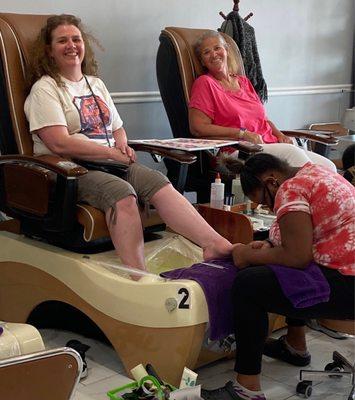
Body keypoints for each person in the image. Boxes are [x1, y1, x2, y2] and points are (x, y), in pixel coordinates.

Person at [24, 14, 233, 272]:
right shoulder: (45, 89)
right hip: (70, 169)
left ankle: (214, 244)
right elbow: (59, 143)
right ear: (49, 50)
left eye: (76, 39)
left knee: (160, 184)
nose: (71, 45)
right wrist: (111, 153)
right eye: (62, 41)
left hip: (110, 161)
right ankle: (138, 276)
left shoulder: (96, 84)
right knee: (122, 194)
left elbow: (117, 127)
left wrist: (121, 146)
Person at [202, 153, 354, 400]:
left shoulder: (291, 188)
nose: (268, 208)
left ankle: (246, 389)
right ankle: (295, 346)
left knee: (249, 285)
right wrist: (272, 246)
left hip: (349, 284)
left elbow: (297, 256)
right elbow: (306, 235)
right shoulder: (318, 173)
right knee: (284, 272)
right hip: (347, 271)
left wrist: (244, 254)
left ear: (272, 182)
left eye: (263, 202)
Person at [189, 30, 336, 171]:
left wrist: (279, 135)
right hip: (240, 151)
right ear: (202, 61)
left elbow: (263, 119)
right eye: (206, 52)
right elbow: (198, 128)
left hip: (270, 145)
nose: (214, 54)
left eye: (217, 48)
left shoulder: (244, 82)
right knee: (298, 160)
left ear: (226, 50)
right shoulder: (205, 83)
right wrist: (242, 134)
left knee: (328, 166)